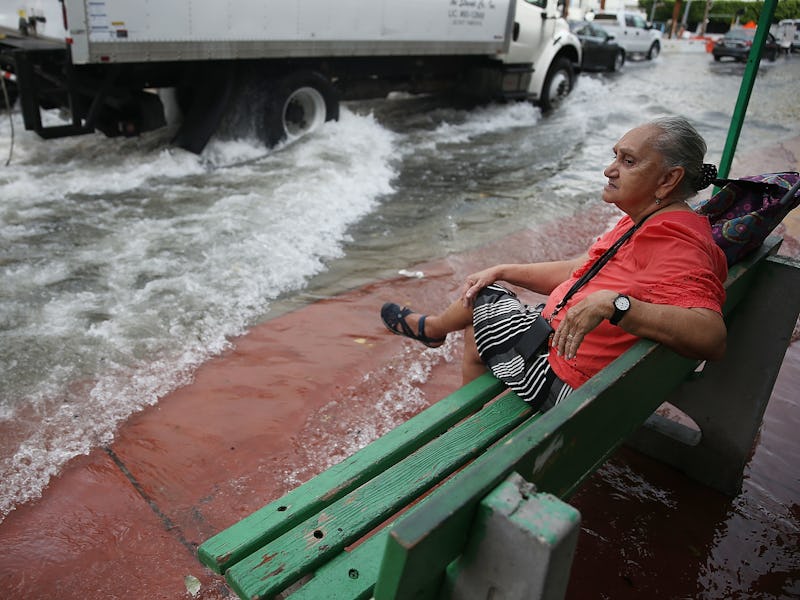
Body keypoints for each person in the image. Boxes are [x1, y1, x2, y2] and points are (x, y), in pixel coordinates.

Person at [380, 117, 728, 411]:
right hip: (571, 357)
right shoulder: (651, 219)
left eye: (629, 162)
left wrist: (616, 305)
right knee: (490, 297)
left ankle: (451, 380)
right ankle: (444, 350)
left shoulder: (673, 239)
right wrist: (504, 270)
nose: (610, 170)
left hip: (565, 382)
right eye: (615, 157)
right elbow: (581, 271)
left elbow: (711, 336)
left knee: (481, 303)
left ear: (669, 179)